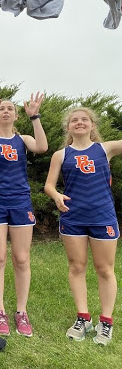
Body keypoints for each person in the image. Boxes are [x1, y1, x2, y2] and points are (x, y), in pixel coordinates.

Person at [45, 106, 121, 346]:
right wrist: (56, 196)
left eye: (84, 119)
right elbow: (49, 185)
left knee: (105, 269)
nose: (79, 122)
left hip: (103, 217)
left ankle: (106, 322)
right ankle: (83, 318)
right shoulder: (61, 154)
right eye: (74, 120)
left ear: (92, 125)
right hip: (73, 217)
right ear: (68, 127)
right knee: (77, 267)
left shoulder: (104, 149)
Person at [0, 92, 48, 337]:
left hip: (20, 202)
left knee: (21, 258)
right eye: (2, 108)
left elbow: (42, 147)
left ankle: (21, 311)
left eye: (10, 108)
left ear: (16, 115)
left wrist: (35, 117)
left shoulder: (24, 139)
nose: (6, 111)